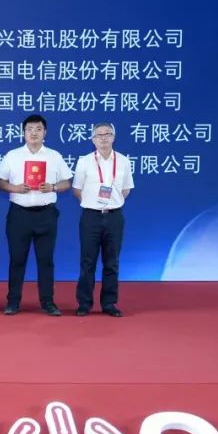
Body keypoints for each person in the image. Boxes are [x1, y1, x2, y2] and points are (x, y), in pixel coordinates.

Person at [0, 114, 72, 316]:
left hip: (46, 214)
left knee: (45, 260)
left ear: (45, 132)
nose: (34, 133)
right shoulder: (12, 155)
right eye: (29, 129)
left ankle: (48, 302)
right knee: (17, 259)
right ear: (23, 132)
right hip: (19, 215)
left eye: (38, 129)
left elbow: (67, 182)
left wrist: (53, 187)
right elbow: (0, 182)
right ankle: (13, 302)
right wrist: (15, 188)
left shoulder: (54, 156)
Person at [72, 122, 133, 317]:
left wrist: (111, 203)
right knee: (87, 262)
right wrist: (94, 204)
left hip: (114, 216)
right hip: (91, 216)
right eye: (99, 135)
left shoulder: (123, 161)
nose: (104, 137)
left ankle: (109, 303)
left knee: (111, 262)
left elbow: (126, 189)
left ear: (114, 137)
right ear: (93, 139)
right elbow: (77, 189)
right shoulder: (84, 161)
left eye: (108, 134)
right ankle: (84, 303)